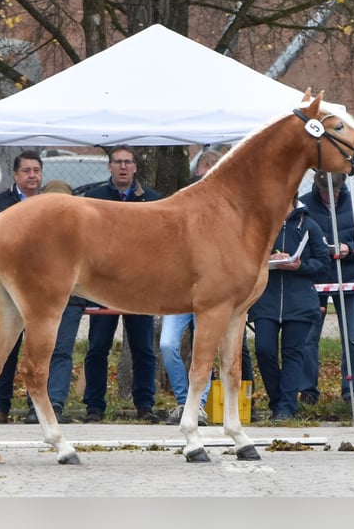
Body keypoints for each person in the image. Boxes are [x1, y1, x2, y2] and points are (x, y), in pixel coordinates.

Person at [82, 146, 162, 422]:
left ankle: (145, 404)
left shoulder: (152, 201)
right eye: (118, 162)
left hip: (140, 286)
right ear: (109, 167)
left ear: (136, 167)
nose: (123, 167)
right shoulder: (93, 200)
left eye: (128, 162)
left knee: (143, 348)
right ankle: (94, 406)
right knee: (98, 347)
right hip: (103, 285)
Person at [249, 194, 331, 421]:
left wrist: (299, 265)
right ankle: (276, 401)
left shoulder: (309, 226)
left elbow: (324, 263)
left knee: (293, 353)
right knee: (264, 349)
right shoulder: (261, 225)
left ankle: (287, 407)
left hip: (300, 301)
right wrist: (270, 259)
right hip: (266, 300)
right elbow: (247, 256)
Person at [300, 171, 354, 403]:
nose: (330, 196)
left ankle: (352, 391)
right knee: (309, 338)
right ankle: (308, 391)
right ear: (317, 188)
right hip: (317, 279)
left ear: (341, 188)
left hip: (349, 277)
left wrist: (350, 248)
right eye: (325, 192)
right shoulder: (305, 205)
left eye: (334, 191)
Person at [160, 152, 222, 426]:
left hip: (210, 290)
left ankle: (198, 405)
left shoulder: (224, 214)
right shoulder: (182, 211)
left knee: (204, 346)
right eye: (201, 175)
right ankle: (185, 400)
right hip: (181, 290)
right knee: (167, 344)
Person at [0, 149, 43, 423]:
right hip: (12, 282)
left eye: (36, 171)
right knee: (7, 343)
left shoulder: (50, 206)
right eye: (27, 171)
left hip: (45, 286)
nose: (32, 175)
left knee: (42, 346)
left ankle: (36, 407)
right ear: (16, 175)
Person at [23, 179, 86, 425]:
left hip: (71, 301)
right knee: (37, 350)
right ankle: (35, 404)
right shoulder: (34, 232)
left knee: (61, 351)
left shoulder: (80, 232)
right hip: (40, 301)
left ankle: (56, 404)